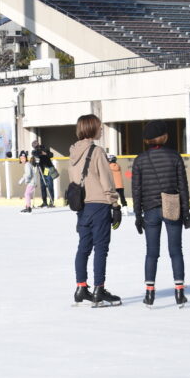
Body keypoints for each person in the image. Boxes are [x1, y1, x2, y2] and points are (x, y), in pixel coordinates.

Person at [131, 121, 190, 308]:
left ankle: (149, 294)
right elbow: (183, 186)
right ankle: (179, 292)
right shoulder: (175, 157)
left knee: (151, 252)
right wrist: (186, 211)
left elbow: (136, 190)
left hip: (150, 209)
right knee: (175, 251)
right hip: (172, 206)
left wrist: (137, 215)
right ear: (164, 136)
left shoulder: (139, 160)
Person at [69, 114, 122, 307]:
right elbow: (106, 181)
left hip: (82, 207)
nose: (101, 130)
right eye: (99, 127)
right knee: (101, 248)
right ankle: (99, 289)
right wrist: (115, 205)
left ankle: (81, 287)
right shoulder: (97, 151)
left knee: (83, 247)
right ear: (92, 129)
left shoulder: (73, 152)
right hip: (99, 204)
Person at [31, 141, 55, 207]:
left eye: (36, 145)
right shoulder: (35, 152)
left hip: (46, 168)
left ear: (38, 144)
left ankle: (51, 201)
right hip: (41, 170)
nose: (36, 147)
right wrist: (35, 158)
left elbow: (51, 155)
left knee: (49, 185)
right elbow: (34, 163)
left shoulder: (44, 148)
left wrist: (45, 153)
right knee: (43, 186)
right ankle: (44, 202)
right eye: (34, 146)